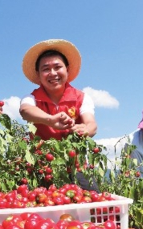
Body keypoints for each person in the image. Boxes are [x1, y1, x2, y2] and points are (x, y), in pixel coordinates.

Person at [19, 39, 98, 191]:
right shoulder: (32, 98)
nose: (53, 73)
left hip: (76, 166)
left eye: (57, 67)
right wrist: (50, 120)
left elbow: (91, 124)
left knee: (92, 204)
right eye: (46, 69)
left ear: (67, 69)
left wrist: (85, 130)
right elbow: (25, 111)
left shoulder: (81, 97)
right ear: (38, 74)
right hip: (43, 167)